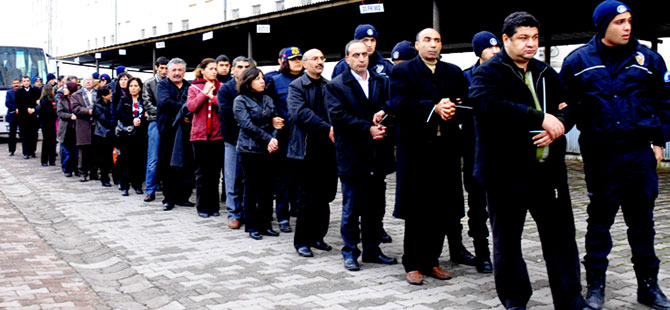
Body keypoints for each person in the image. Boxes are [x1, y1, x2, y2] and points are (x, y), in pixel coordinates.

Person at [469, 12, 589, 310]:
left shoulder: (546, 72)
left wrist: (559, 123)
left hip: (548, 173)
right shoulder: (489, 72)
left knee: (562, 240)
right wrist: (539, 117)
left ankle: (570, 300)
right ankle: (515, 301)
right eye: (523, 38)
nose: (530, 44)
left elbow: (572, 104)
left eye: (534, 37)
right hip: (505, 173)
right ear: (506, 39)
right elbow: (488, 106)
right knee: (508, 241)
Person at [560, 2, 670, 309]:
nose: (627, 27)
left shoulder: (648, 59)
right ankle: (595, 287)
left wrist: (659, 141)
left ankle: (649, 287)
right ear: (603, 25)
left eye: (629, 21)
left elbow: (664, 102)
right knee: (599, 223)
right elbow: (566, 104)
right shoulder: (578, 61)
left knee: (643, 224)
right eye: (619, 22)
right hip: (600, 154)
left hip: (638, 153)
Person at [389, 28, 472, 285]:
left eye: (437, 40)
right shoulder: (403, 72)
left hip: (445, 149)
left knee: (442, 207)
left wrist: (451, 109)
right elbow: (398, 104)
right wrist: (432, 107)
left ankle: (432, 260)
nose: (433, 45)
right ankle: (412, 262)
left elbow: (466, 104)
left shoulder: (453, 72)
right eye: (427, 40)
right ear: (417, 45)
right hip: (416, 150)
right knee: (417, 208)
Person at [326, 40, 397, 271]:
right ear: (347, 59)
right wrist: (367, 128)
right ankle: (350, 251)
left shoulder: (381, 80)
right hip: (352, 155)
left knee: (375, 206)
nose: (361, 59)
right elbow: (338, 116)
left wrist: (384, 113)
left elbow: (392, 103)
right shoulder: (337, 85)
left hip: (377, 155)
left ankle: (372, 249)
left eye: (364, 54)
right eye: (355, 55)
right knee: (351, 207)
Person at [287, 49, 337, 257]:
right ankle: (302, 241)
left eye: (322, 58)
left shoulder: (329, 86)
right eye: (315, 59)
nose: (319, 62)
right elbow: (300, 114)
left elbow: (336, 111)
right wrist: (327, 128)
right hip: (306, 149)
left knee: (325, 195)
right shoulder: (296, 86)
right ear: (305, 63)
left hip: (328, 148)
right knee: (307, 197)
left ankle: (318, 236)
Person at [460, 30, 502, 275]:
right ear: (479, 52)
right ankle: (482, 252)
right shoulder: (466, 78)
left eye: (497, 47)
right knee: (476, 207)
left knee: (503, 206)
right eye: (489, 48)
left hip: (503, 152)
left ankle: (502, 253)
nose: (495, 51)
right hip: (475, 152)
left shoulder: (507, 74)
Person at [233, 67, 284, 240]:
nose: (262, 81)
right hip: (249, 149)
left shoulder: (268, 99)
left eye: (262, 78)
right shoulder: (240, 100)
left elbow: (277, 121)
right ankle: (252, 225)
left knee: (267, 188)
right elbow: (247, 125)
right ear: (248, 82)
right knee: (251, 187)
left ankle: (265, 224)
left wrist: (274, 138)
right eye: (257, 79)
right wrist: (268, 137)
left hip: (268, 149)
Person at [267, 46, 304, 233]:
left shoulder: (308, 79)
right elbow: (267, 104)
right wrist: (272, 118)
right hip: (285, 136)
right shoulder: (275, 81)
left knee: (302, 178)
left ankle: (299, 210)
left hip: (305, 135)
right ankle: (282, 216)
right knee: (284, 179)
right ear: (285, 61)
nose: (297, 62)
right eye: (293, 59)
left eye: (300, 59)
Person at [218, 56, 253, 228]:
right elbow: (229, 115)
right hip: (232, 140)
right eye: (239, 66)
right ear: (233, 69)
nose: (243, 70)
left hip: (253, 141)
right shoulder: (226, 90)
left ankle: (248, 213)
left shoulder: (255, 88)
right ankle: (233, 213)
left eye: (247, 66)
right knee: (232, 178)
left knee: (249, 179)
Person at [187, 58, 223, 218]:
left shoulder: (221, 87)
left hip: (216, 137)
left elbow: (223, 105)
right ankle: (202, 207)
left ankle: (214, 206)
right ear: (202, 70)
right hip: (199, 137)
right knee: (202, 173)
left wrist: (212, 97)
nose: (214, 71)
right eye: (211, 69)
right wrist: (204, 93)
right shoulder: (194, 87)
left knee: (214, 174)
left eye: (216, 69)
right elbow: (192, 106)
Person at [157, 58, 193, 211]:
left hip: (186, 131)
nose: (177, 73)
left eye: (180, 70)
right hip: (168, 130)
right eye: (174, 70)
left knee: (186, 164)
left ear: (184, 72)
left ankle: (183, 197)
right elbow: (165, 103)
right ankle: (169, 199)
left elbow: (195, 104)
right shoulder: (163, 85)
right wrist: (185, 107)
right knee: (168, 165)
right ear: (168, 72)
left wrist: (188, 111)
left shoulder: (189, 86)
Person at [142, 56, 169, 202]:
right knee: (153, 157)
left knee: (168, 157)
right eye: (162, 68)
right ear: (156, 67)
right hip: (155, 122)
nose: (164, 71)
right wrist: (164, 113)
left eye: (166, 68)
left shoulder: (172, 83)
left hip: (169, 123)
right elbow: (147, 104)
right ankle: (150, 189)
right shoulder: (149, 83)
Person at [116, 77, 147, 196]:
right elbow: (119, 113)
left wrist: (142, 119)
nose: (133, 88)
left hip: (140, 135)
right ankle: (124, 186)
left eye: (135, 86)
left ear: (140, 87)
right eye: (131, 86)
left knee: (138, 161)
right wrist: (132, 119)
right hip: (126, 134)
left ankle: (137, 185)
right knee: (125, 160)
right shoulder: (124, 100)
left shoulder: (143, 100)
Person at [72, 76, 98, 181]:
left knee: (95, 150)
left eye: (90, 80)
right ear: (82, 82)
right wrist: (88, 111)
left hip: (96, 124)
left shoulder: (98, 93)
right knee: (83, 150)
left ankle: (94, 173)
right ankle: (82, 172)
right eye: (86, 80)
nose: (88, 82)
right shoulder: (76, 95)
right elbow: (75, 108)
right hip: (83, 124)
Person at [93, 86, 115, 187]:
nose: (111, 95)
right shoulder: (98, 106)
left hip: (110, 133)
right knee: (103, 157)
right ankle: (104, 178)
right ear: (103, 95)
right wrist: (111, 124)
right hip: (101, 134)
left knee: (111, 157)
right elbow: (103, 119)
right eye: (109, 93)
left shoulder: (111, 104)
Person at [57, 82, 80, 177]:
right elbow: (60, 113)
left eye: (66, 88)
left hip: (76, 128)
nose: (64, 89)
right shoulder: (62, 99)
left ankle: (76, 169)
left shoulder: (77, 98)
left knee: (76, 151)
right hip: (65, 128)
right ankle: (67, 169)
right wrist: (70, 116)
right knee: (66, 151)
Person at [15, 75, 41, 159]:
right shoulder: (19, 92)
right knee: (25, 135)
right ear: (22, 82)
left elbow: (38, 102)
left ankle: (32, 151)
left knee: (34, 134)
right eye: (24, 81)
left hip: (33, 116)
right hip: (23, 116)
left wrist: (34, 109)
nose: (26, 82)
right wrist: (27, 109)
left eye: (27, 81)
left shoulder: (35, 91)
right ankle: (26, 152)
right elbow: (18, 104)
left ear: (30, 82)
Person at [38, 83, 58, 166]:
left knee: (52, 141)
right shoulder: (45, 101)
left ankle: (51, 159)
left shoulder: (52, 100)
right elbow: (47, 112)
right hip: (47, 123)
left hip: (50, 123)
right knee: (47, 142)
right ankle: (45, 160)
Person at [5, 78, 20, 156]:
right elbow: (7, 103)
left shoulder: (22, 92)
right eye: (14, 83)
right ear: (12, 84)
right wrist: (15, 108)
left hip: (21, 115)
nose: (16, 85)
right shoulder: (9, 93)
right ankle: (11, 150)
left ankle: (27, 151)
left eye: (17, 83)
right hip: (12, 115)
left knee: (24, 133)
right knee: (12, 134)